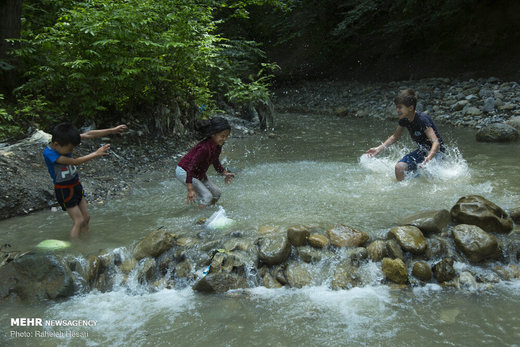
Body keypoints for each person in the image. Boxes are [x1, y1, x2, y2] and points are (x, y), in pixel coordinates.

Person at [43, 122, 127, 238]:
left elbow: (88, 135)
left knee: (86, 218)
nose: (70, 151)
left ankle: (86, 243)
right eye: (70, 149)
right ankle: (76, 251)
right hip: (64, 189)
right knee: (79, 220)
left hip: (75, 184)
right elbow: (74, 161)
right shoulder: (49, 153)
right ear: (56, 144)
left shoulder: (65, 139)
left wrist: (112, 130)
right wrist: (96, 154)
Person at [365, 89, 445, 181]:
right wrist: (378, 149)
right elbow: (395, 137)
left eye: (400, 107)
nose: (397, 110)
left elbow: (436, 142)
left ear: (410, 108)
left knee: (427, 173)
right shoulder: (404, 120)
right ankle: (403, 191)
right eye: (396, 107)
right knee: (399, 168)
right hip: (422, 151)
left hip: (436, 153)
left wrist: (429, 158)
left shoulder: (422, 119)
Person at [176, 117, 235, 207]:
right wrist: (190, 189)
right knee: (207, 196)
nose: (224, 139)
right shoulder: (204, 148)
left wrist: (224, 172)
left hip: (198, 172)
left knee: (217, 193)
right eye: (222, 136)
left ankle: (208, 211)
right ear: (213, 134)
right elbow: (190, 167)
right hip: (184, 171)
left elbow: (215, 161)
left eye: (226, 136)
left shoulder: (218, 145)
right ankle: (200, 218)